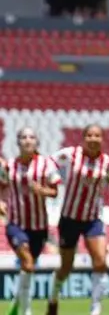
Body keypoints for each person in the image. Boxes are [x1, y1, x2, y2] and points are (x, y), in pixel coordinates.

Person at [48, 125, 109, 315]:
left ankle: (95, 308)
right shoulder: (71, 155)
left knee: (101, 261)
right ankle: (54, 296)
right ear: (83, 138)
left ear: (102, 139)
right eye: (89, 135)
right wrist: (53, 178)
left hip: (93, 219)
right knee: (66, 267)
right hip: (69, 218)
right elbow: (49, 162)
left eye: (97, 136)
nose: (93, 139)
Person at [1, 128, 61, 315]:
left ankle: (16, 302)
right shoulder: (9, 166)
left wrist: (43, 191)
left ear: (37, 143)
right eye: (23, 137)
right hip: (16, 225)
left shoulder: (47, 165)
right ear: (17, 142)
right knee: (27, 263)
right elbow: (1, 187)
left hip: (39, 228)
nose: (28, 140)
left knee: (28, 268)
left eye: (32, 137)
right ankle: (26, 312)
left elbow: (55, 191)